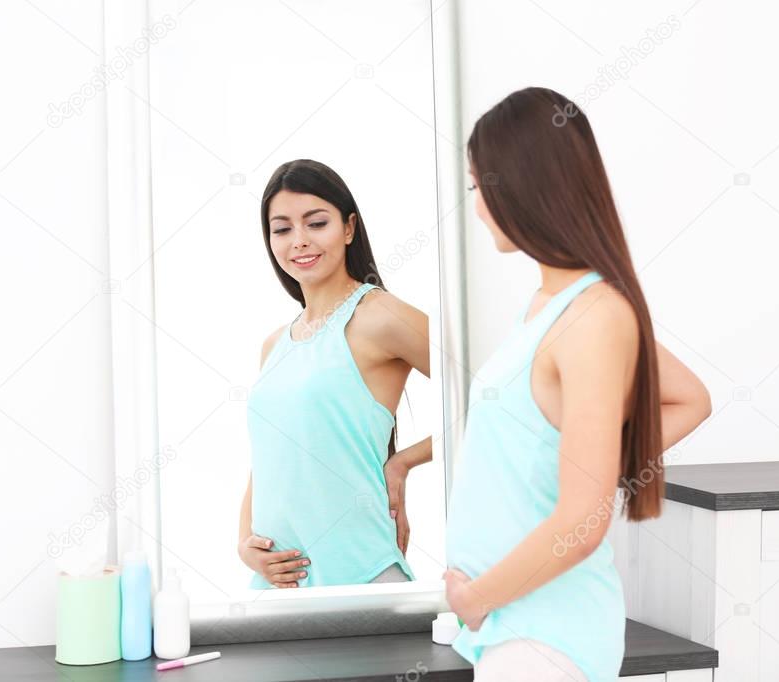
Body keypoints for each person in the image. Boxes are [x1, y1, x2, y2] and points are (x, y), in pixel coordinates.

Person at [443, 87, 713, 681]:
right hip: (521, 634)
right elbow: (689, 396)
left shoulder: (593, 317)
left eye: (478, 186)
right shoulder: (554, 306)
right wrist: (584, 461)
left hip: (544, 639)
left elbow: (583, 525)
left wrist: (478, 598)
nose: (479, 206)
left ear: (520, 182)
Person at [237, 159, 432, 588]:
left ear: (348, 228)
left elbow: (495, 393)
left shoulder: (378, 316)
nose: (299, 241)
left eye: (316, 223)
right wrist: (244, 540)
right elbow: (271, 454)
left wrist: (402, 462)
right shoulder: (274, 345)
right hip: (279, 586)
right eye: (282, 228)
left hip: (360, 577)